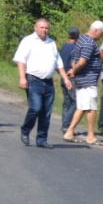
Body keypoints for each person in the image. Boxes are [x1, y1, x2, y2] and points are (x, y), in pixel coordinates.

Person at [13, 18, 72, 149]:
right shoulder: (28, 41)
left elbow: (58, 63)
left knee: (46, 112)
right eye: (42, 27)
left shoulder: (51, 43)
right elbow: (21, 60)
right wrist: (22, 78)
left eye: (46, 28)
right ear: (35, 28)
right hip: (33, 80)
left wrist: (65, 79)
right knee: (35, 108)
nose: (44, 30)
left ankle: (42, 139)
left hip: (48, 82)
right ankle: (25, 130)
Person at [62, 21, 103, 146]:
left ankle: (69, 132)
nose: (101, 36)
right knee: (91, 108)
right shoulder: (89, 42)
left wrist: (74, 70)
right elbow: (82, 62)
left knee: (82, 107)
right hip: (87, 79)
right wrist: (74, 71)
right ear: (95, 30)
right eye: (101, 33)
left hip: (83, 79)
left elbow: (75, 58)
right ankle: (90, 136)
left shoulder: (82, 39)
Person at [59, 27, 80, 133]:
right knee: (75, 102)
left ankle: (64, 124)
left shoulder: (63, 47)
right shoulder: (75, 49)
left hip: (62, 77)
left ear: (68, 36)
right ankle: (67, 125)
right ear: (78, 37)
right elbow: (74, 64)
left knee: (66, 102)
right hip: (70, 78)